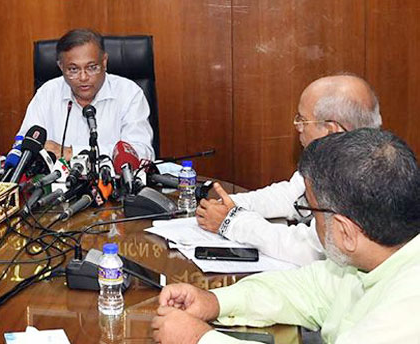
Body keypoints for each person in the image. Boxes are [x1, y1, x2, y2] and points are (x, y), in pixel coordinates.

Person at [153, 128, 420, 344]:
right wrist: (215, 302)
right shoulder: (371, 259)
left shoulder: (406, 312)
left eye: (311, 210)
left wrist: (198, 338)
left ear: (346, 231)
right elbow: (307, 289)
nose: (311, 222)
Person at [196, 74, 382, 265]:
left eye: (303, 120)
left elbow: (311, 249)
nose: (298, 127)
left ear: (331, 130)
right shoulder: (330, 158)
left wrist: (231, 222)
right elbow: (291, 195)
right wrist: (230, 204)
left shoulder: (368, 177)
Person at [17, 28, 154, 161]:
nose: (83, 77)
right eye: (73, 69)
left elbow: (141, 152)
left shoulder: (129, 93)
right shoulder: (47, 93)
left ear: (104, 62)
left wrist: (72, 152)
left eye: (92, 67)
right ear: (61, 67)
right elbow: (23, 146)